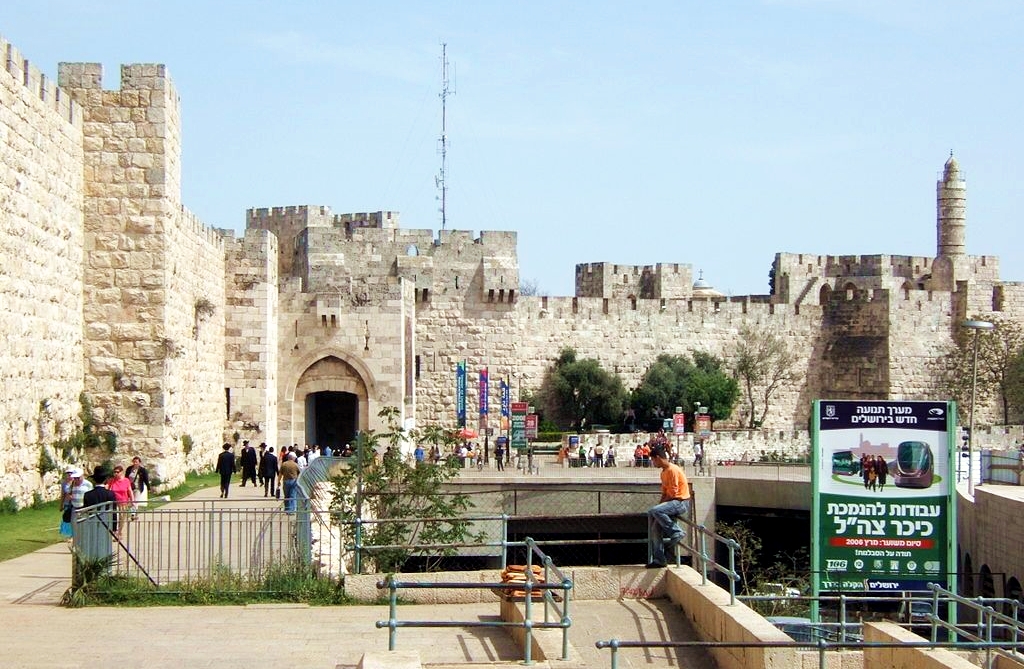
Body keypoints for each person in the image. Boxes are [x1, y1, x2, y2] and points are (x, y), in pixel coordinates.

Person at [646, 444, 691, 568]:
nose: (653, 463)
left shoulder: (673, 470)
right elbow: (665, 492)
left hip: (681, 502)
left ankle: (676, 532)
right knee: (655, 528)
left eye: (653, 460)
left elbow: (674, 493)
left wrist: (659, 509)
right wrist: (661, 507)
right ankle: (660, 559)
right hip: (673, 501)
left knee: (654, 511)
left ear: (658, 458)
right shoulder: (664, 473)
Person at [83, 465, 119, 536]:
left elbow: (86, 512)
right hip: (106, 524)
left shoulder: (87, 495)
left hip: (92, 524)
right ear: (106, 479)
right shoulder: (110, 494)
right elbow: (113, 511)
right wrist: (114, 528)